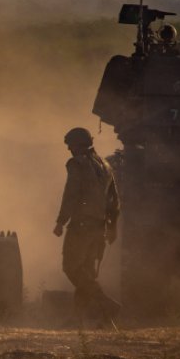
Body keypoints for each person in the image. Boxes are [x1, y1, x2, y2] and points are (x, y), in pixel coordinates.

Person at [53, 127, 121, 327]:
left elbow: (71, 193)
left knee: (72, 267)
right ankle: (82, 320)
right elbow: (114, 200)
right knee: (87, 272)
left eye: (70, 146)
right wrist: (112, 227)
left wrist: (60, 221)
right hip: (99, 227)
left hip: (81, 225)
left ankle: (107, 305)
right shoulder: (106, 165)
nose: (69, 150)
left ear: (78, 145)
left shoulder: (77, 164)